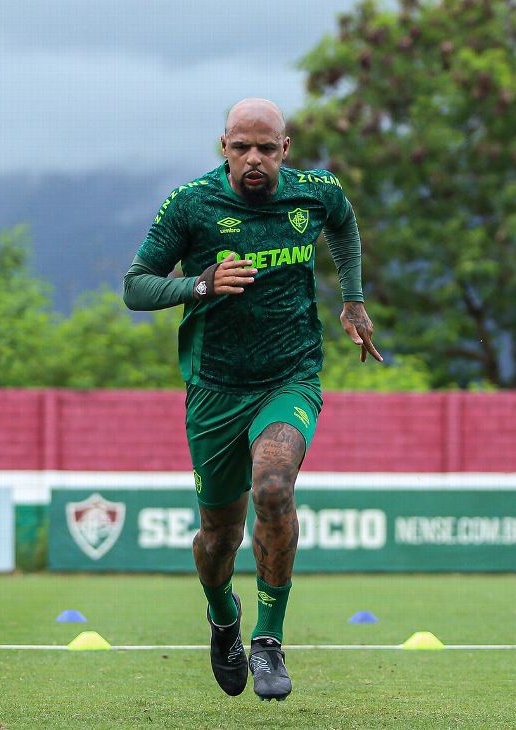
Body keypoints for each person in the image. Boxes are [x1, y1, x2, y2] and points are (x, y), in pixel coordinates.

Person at [122, 98, 381, 701]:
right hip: (214, 388)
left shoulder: (315, 192)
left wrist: (353, 299)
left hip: (289, 376)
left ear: (285, 149)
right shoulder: (192, 204)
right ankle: (224, 620)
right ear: (224, 147)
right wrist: (198, 284)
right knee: (218, 539)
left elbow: (343, 225)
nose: (255, 159)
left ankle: (268, 639)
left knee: (273, 488)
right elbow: (135, 286)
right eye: (243, 148)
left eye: (267, 148)